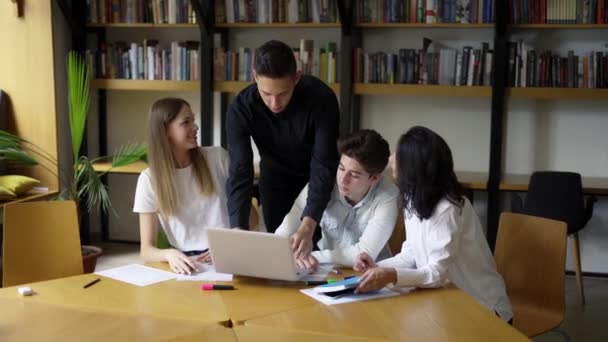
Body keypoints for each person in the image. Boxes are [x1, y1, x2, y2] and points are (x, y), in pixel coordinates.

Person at [354, 126, 513, 323]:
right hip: (445, 300)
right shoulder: (414, 197)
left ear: (414, 166)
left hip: (482, 307)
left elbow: (436, 273)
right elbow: (411, 253)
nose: (393, 157)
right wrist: (376, 268)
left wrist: (391, 275)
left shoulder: (448, 208)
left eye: (400, 153)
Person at [226, 39, 340, 259]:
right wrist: (237, 230)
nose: (274, 103)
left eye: (283, 93)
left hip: (316, 179)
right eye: (266, 94)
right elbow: (240, 171)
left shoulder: (321, 99)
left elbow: (324, 163)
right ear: (254, 77)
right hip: (274, 180)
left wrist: (308, 224)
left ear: (296, 77)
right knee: (281, 254)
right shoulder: (241, 107)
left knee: (318, 254)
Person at [275, 129, 399, 269]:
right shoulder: (322, 185)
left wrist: (310, 256)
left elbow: (364, 254)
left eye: (354, 175)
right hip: (327, 271)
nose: (342, 180)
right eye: (341, 168)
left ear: (374, 178)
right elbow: (288, 226)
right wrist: (279, 250)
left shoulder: (388, 196)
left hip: (371, 274)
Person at [133, 98, 230, 275]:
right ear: (165, 132)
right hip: (187, 265)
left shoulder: (218, 159)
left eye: (193, 119)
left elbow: (250, 219)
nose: (195, 126)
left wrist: (229, 245)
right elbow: (146, 251)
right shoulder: (149, 180)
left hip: (229, 257)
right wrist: (170, 254)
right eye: (186, 122)